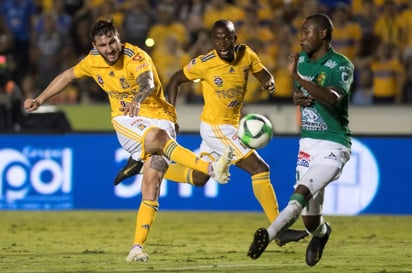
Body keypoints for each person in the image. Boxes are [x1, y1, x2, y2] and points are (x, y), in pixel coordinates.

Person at [23, 19, 233, 263]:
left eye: (112, 42)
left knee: (153, 180)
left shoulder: (136, 56)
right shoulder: (92, 61)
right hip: (126, 119)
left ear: (118, 37)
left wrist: (138, 98)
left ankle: (136, 247)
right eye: (103, 45)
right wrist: (39, 99)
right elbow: (67, 76)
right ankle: (209, 167)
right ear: (95, 46)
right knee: (157, 139)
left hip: (159, 116)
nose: (110, 49)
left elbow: (148, 83)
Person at [116, 19, 308, 245]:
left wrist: (269, 82)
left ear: (235, 39)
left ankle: (140, 167)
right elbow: (176, 79)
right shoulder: (205, 63)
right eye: (217, 39)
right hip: (217, 128)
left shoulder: (246, 54)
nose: (223, 43)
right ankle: (279, 229)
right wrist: (171, 114)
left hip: (230, 125)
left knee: (199, 178)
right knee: (259, 168)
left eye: (227, 38)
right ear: (212, 41)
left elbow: (263, 73)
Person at [247, 13, 354, 267]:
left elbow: (330, 97)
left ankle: (269, 234)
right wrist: (297, 96)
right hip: (307, 145)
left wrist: (296, 77)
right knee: (310, 221)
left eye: (306, 32)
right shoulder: (303, 61)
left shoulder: (341, 65)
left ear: (323, 34)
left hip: (334, 145)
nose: (301, 37)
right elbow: (305, 93)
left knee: (301, 192)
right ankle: (323, 233)